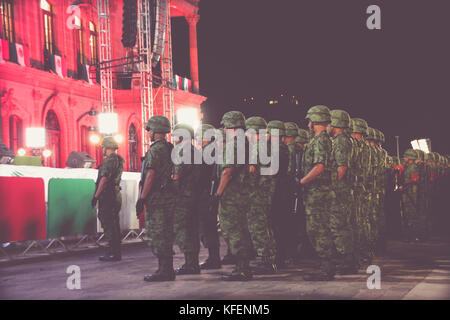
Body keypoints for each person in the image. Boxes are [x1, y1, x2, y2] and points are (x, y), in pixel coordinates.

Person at [212, 111, 253, 281]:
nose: (223, 128)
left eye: (225, 126)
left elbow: (227, 171)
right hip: (241, 194)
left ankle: (242, 269)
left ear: (230, 126)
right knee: (241, 229)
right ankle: (242, 267)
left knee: (234, 230)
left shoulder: (234, 144)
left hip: (232, 195)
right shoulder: (244, 143)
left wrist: (217, 194)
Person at [135, 115, 176, 282]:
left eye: (150, 129)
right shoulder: (169, 148)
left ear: (157, 130)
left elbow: (150, 174)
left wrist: (142, 198)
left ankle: (164, 270)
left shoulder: (155, 150)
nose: (149, 132)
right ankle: (166, 269)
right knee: (165, 233)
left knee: (158, 234)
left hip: (158, 199)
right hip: (168, 197)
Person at [300, 105, 336, 281]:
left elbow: (320, 166)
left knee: (319, 229)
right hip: (315, 192)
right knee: (315, 229)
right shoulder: (318, 139)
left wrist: (302, 181)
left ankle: (327, 267)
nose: (308, 124)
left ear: (314, 121)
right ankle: (324, 265)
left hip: (319, 192)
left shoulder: (321, 140)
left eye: (310, 120)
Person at [245, 116, 278, 274]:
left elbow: (252, 170)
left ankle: (266, 261)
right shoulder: (270, 146)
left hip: (257, 192)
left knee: (257, 226)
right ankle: (270, 258)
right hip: (267, 191)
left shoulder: (258, 147)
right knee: (265, 225)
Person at [328, 110, 357, 274]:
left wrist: (331, 186)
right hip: (344, 190)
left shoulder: (340, 141)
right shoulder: (348, 140)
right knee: (344, 224)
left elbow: (341, 168)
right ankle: (348, 259)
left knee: (338, 225)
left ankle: (347, 260)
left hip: (339, 190)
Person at [172, 123, 202, 275]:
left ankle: (190, 263)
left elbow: (177, 175)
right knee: (191, 229)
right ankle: (193, 263)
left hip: (183, 197)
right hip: (194, 196)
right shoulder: (194, 151)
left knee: (182, 229)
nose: (173, 137)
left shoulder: (182, 151)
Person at [92, 136, 124, 262]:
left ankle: (112, 252)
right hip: (115, 194)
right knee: (114, 223)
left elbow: (104, 179)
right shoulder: (119, 159)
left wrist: (96, 196)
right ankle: (116, 252)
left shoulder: (109, 161)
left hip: (108, 195)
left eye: (103, 147)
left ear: (107, 147)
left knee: (108, 222)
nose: (102, 150)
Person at [196, 124, 222, 270]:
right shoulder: (217, 150)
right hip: (212, 192)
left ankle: (214, 258)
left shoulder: (207, 152)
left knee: (207, 227)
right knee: (210, 226)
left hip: (206, 193)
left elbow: (199, 175)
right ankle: (214, 257)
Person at [266, 120, 290, 268]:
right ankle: (281, 256)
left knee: (277, 224)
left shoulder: (278, 149)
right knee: (279, 224)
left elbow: (271, 172)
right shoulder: (282, 148)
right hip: (281, 188)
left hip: (278, 189)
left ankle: (279, 257)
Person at [400, 149, 422, 242]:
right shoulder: (408, 167)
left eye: (406, 156)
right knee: (408, 214)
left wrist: (404, 184)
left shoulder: (413, 167)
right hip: (408, 192)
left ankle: (414, 236)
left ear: (409, 158)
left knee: (411, 214)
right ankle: (410, 235)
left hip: (411, 193)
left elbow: (415, 179)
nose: (404, 158)